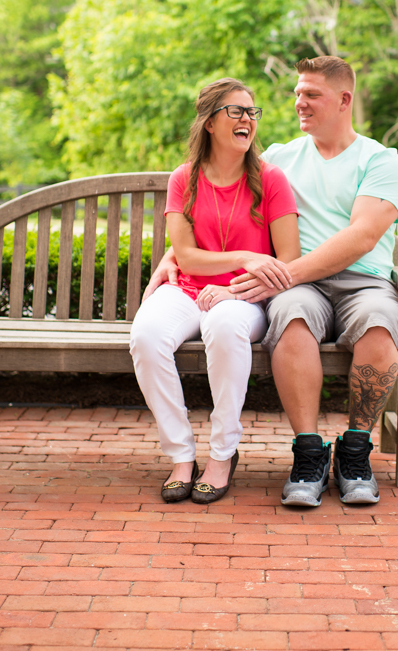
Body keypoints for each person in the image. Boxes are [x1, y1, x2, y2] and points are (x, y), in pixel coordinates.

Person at [145, 56, 398, 508]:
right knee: (292, 319)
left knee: (380, 326)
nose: (299, 102)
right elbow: (216, 195)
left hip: (359, 282)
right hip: (298, 286)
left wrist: (278, 275)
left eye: (311, 95)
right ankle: (309, 453)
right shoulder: (280, 158)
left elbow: (362, 236)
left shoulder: (379, 160)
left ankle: (356, 452)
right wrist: (175, 254)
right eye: (298, 93)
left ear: (344, 100)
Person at [130, 77, 299, 504]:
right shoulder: (183, 179)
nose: (248, 119)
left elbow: (289, 258)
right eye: (236, 111)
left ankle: (222, 455)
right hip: (187, 289)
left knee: (224, 328)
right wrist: (245, 256)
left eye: (252, 112)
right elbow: (186, 257)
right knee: (146, 337)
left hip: (245, 296)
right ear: (209, 122)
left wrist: (242, 286)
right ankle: (181, 456)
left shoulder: (271, 180)